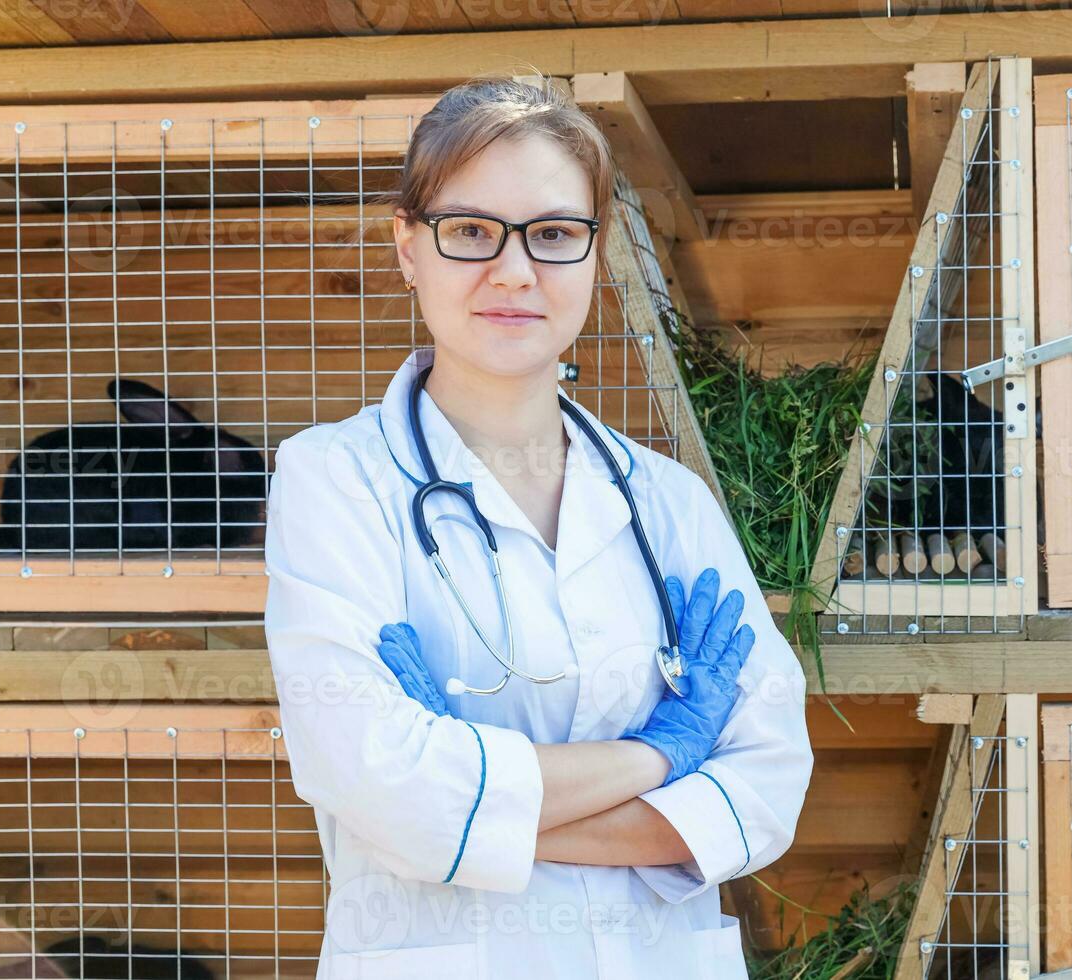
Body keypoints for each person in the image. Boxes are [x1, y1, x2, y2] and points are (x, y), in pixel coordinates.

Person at [261, 74, 813, 979]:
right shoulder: (336, 480)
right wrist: (661, 753)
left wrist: (473, 798)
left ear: (594, 254)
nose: (515, 271)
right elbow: (373, 780)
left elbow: (766, 790)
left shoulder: (666, 502)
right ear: (409, 247)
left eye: (554, 234)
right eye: (472, 231)